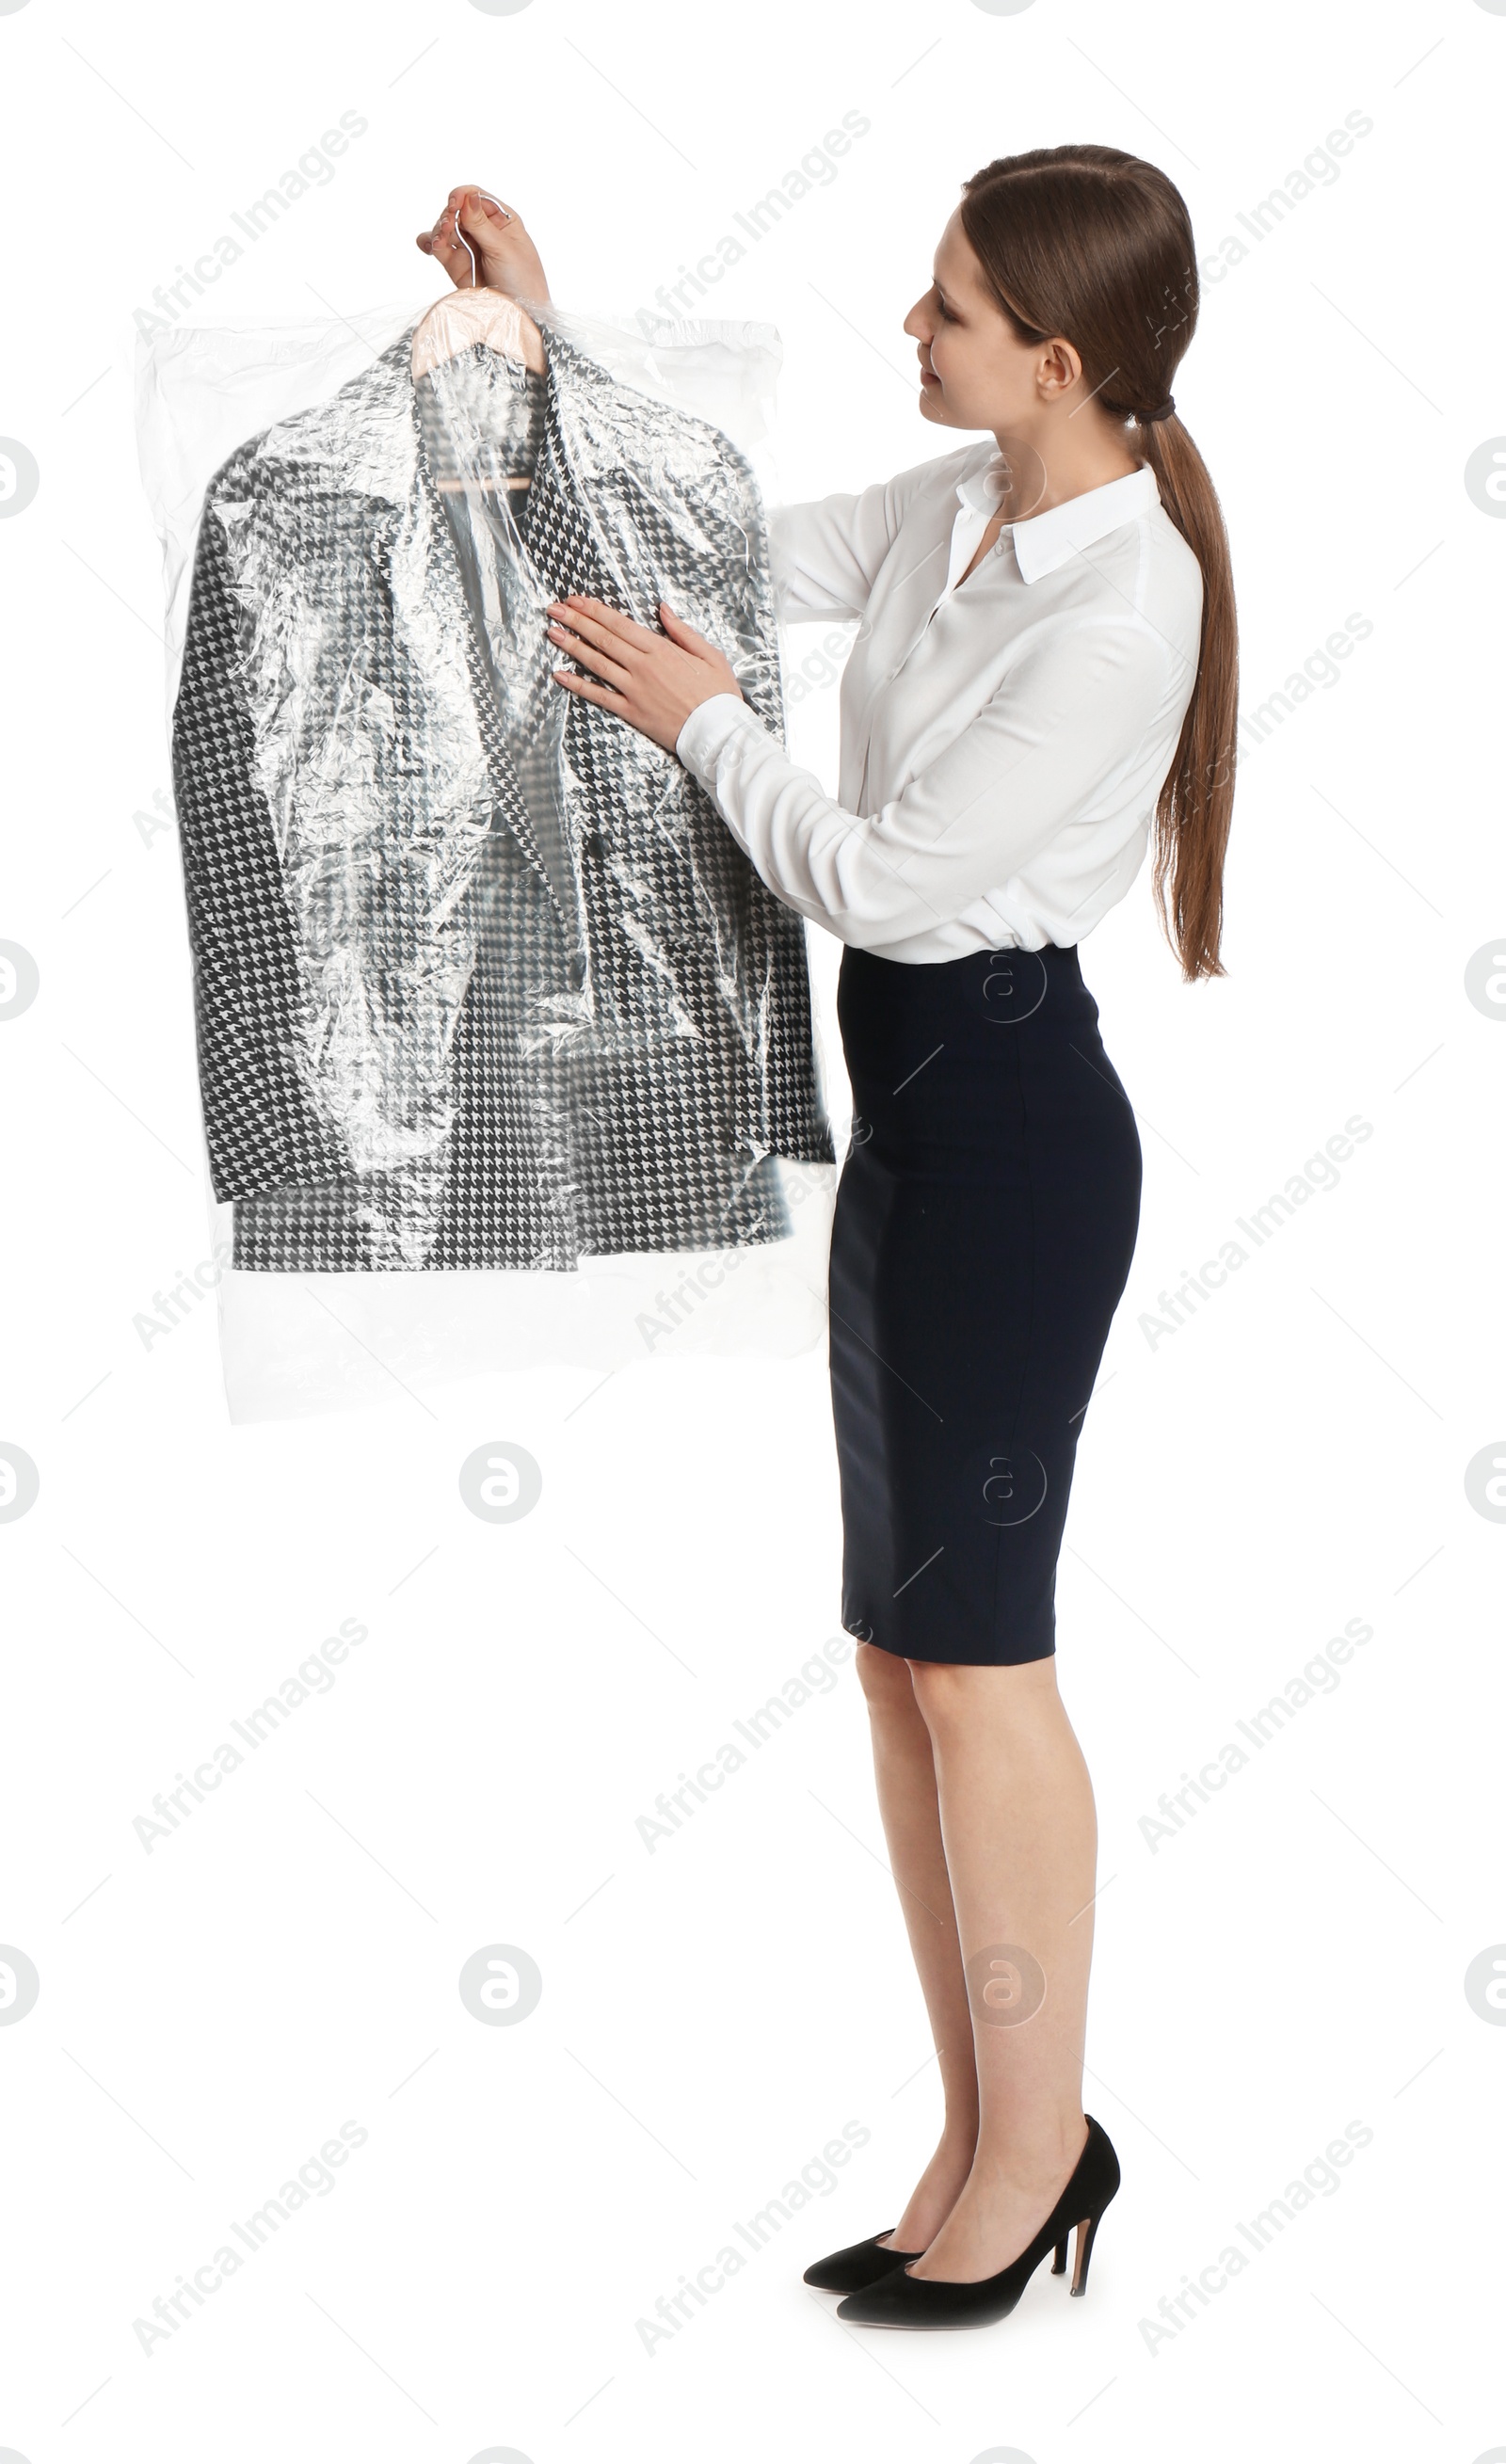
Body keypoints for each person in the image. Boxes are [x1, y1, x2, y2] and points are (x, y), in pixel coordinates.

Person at [416, 146, 1236, 2331]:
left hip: (1012, 1147)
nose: (911, 327)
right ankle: (981, 2135)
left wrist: (700, 727)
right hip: (919, 1141)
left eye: (948, 308)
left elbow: (873, 879)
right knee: (897, 1656)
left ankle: (1041, 2147)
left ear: (1054, 360)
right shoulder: (961, 507)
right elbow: (699, 552)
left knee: (983, 1669)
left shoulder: (1120, 599)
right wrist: (539, 332)